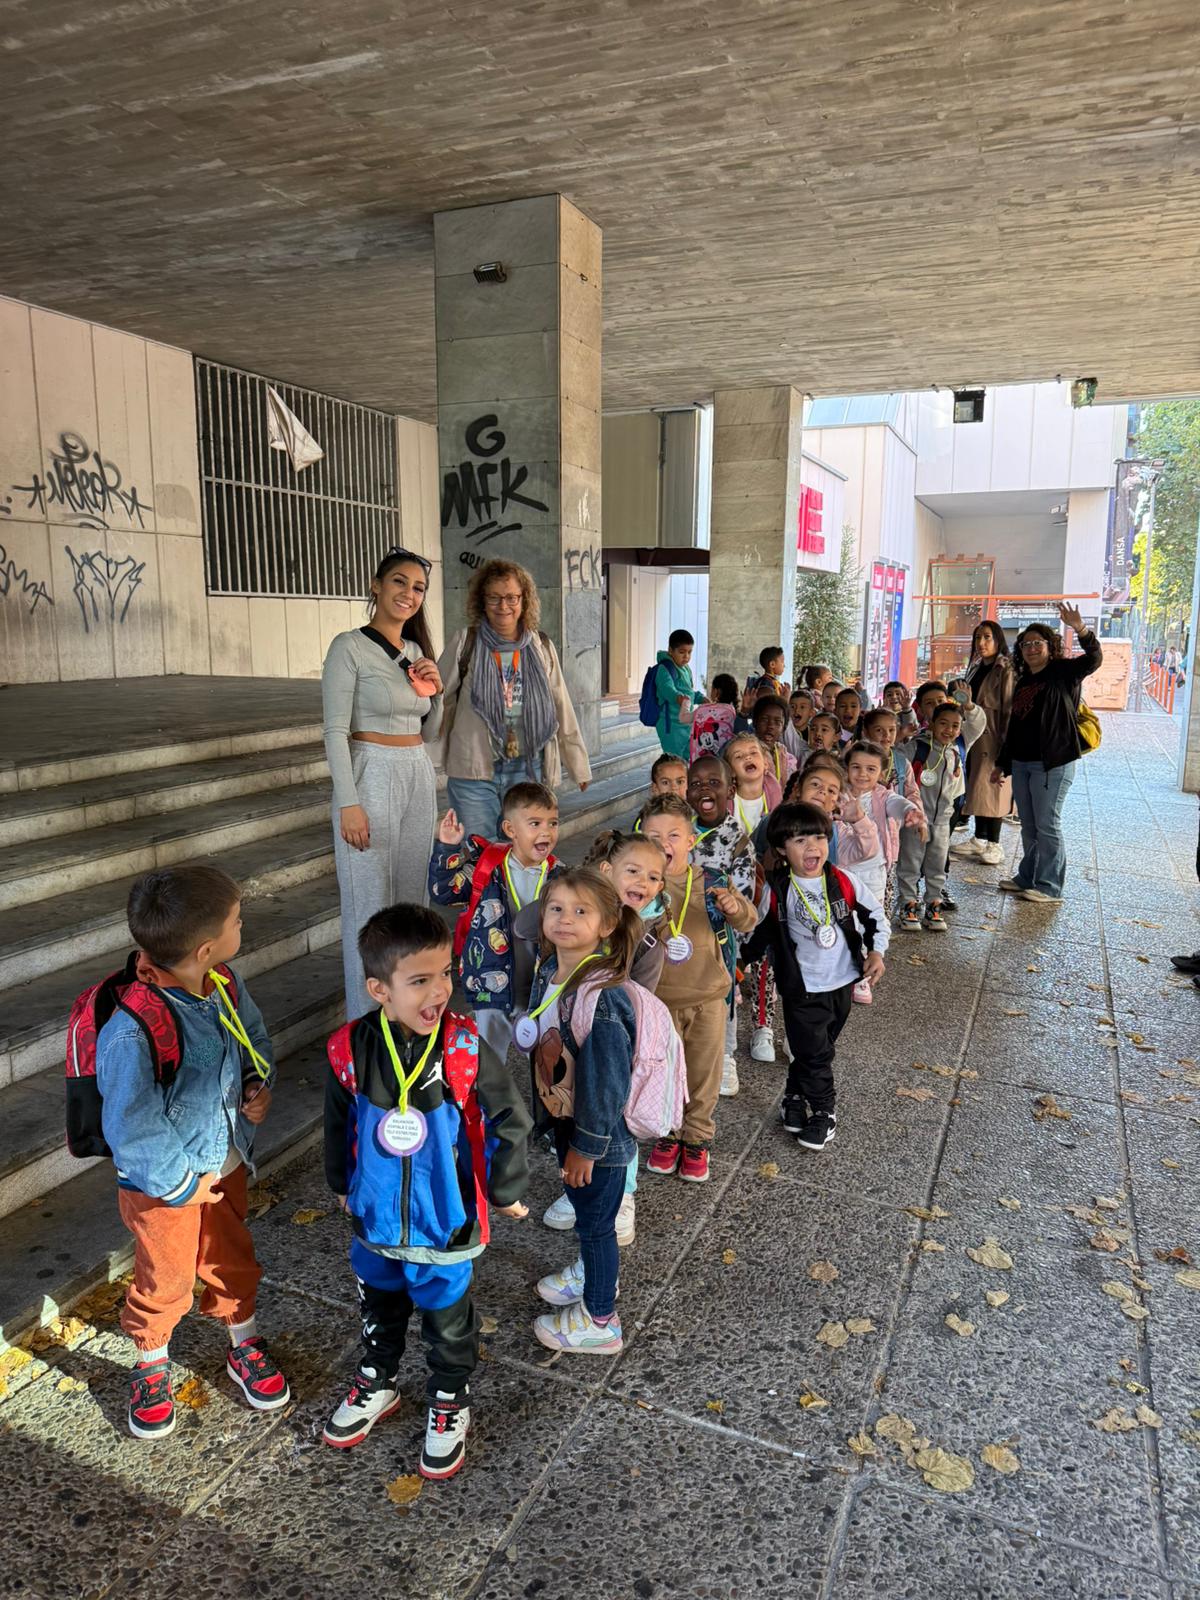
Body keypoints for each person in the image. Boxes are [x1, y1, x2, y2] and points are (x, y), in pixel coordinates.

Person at [322, 904, 530, 1477]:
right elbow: (337, 1123)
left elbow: (510, 1116)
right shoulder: (349, 1048)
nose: (440, 990)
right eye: (420, 980)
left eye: (446, 973)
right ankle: (379, 1378)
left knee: (447, 1317)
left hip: (446, 1219)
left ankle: (449, 1396)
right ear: (379, 990)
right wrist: (341, 1184)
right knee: (379, 1303)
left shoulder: (463, 1047)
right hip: (376, 1219)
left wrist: (505, 1187)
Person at [96, 865, 291, 1441]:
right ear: (206, 947)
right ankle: (151, 1361)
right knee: (165, 1274)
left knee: (231, 1257)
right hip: (163, 1187)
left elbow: (254, 1039)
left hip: (225, 1163)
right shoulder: (133, 1028)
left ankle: (242, 1341)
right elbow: (132, 1125)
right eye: (237, 920)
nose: (242, 925)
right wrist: (182, 1185)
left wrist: (257, 1082)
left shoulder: (223, 982)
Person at [527, 869, 645, 1354]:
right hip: (567, 1123)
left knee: (598, 1227)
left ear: (606, 925)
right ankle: (592, 1273)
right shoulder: (551, 971)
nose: (565, 919)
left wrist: (586, 1148)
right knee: (586, 1215)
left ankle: (600, 1318)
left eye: (581, 911)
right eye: (556, 908)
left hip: (598, 1137)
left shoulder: (602, 995)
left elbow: (607, 1083)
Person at [323, 547, 443, 1020]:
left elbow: (430, 733)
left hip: (416, 770)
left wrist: (438, 694)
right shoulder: (348, 647)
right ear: (376, 585)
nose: (409, 593)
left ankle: (408, 1018)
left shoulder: (415, 653)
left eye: (418, 588)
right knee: (368, 905)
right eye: (399, 581)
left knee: (412, 902)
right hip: (370, 769)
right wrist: (348, 803)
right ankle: (365, 1027)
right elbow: (334, 730)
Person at [534, 830, 671, 1245]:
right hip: (573, 1047)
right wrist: (571, 895)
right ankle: (580, 1185)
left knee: (613, 1119)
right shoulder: (583, 912)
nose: (641, 883)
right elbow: (529, 925)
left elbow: (638, 999)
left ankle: (622, 1195)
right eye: (632, 872)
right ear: (608, 871)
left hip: (612, 1041)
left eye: (652, 877)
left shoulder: (649, 935)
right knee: (576, 1110)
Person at [743, 802, 888, 1150]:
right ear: (781, 849)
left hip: (842, 983)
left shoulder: (843, 881)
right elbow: (760, 933)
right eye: (800, 840)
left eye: (820, 838)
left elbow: (875, 915)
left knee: (815, 1049)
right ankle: (824, 1112)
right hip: (802, 987)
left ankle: (793, 1097)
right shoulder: (779, 890)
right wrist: (738, 965)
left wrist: (877, 951)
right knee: (815, 1054)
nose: (813, 847)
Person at [639, 796, 757, 1183]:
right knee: (665, 1072)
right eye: (653, 836)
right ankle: (670, 1132)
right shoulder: (640, 885)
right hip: (658, 1000)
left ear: (691, 841)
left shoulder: (711, 881)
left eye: (673, 835)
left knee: (704, 1073)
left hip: (708, 996)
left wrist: (734, 908)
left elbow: (748, 920)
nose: (663, 843)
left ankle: (697, 1137)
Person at [435, 558, 590, 842]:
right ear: (482, 601)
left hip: (527, 768)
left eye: (511, 598)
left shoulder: (541, 646)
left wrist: (578, 764)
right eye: (493, 597)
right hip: (474, 769)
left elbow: (561, 706)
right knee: (480, 851)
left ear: (524, 600)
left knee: (523, 850)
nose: (503, 606)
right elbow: (440, 699)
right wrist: (429, 751)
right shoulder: (465, 642)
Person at [427, 783, 560, 1061]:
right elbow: (444, 891)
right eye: (535, 823)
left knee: (543, 1065)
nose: (546, 831)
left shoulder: (561, 877)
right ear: (510, 829)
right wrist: (447, 848)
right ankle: (487, 1092)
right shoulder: (486, 867)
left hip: (541, 990)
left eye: (553, 823)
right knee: (488, 1062)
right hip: (490, 988)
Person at [993, 603, 1102, 904]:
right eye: (1025, 644)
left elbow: (1094, 659)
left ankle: (1050, 886)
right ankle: (1027, 877)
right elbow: (1015, 726)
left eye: (1037, 643)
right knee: (1029, 825)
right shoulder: (1024, 680)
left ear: (1049, 646)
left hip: (1052, 762)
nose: (1031, 649)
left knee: (1047, 824)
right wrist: (1002, 763)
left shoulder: (1063, 673)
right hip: (1022, 762)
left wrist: (1080, 629)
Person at [843, 740, 925, 997]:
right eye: (856, 767)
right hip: (843, 867)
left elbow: (898, 803)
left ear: (882, 772)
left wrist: (912, 811)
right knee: (844, 918)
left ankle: (863, 974)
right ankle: (841, 965)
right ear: (846, 768)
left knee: (868, 918)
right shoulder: (840, 794)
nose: (862, 774)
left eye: (871, 769)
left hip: (873, 871)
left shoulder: (883, 795)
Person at [897, 700, 983, 930]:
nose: (949, 730)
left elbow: (956, 787)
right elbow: (894, 759)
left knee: (937, 866)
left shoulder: (955, 752)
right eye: (943, 723)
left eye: (955, 726)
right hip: (916, 820)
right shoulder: (918, 747)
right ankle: (907, 905)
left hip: (942, 822)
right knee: (910, 863)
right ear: (932, 723)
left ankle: (933, 905)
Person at [723, 732, 783, 1064]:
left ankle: (763, 1026)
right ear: (729, 770)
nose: (748, 757)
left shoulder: (776, 799)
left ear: (765, 762)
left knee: (765, 960)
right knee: (731, 956)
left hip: (767, 893)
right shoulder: (724, 802)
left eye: (753, 752)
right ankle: (725, 1040)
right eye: (738, 755)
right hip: (732, 896)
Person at [951, 621, 1015, 867]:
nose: (981, 643)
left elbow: (1008, 708)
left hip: (994, 736)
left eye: (987, 637)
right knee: (977, 785)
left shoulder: (1005, 669)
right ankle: (979, 838)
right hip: (974, 734)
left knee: (994, 787)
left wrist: (1005, 743)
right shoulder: (977, 667)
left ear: (998, 639)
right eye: (978, 637)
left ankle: (995, 844)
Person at [652, 628, 705, 760]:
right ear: (671, 651)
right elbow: (667, 689)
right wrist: (678, 697)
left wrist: (700, 698)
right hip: (671, 725)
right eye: (682, 652)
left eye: (689, 652)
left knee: (689, 757)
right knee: (673, 759)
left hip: (686, 723)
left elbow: (688, 691)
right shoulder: (664, 669)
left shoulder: (686, 669)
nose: (686, 656)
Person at [690, 673, 740, 761]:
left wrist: (685, 702)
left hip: (700, 761)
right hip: (723, 761)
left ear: (717, 692)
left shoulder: (702, 709)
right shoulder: (732, 711)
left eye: (712, 689)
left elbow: (683, 718)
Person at [751, 695, 797, 788]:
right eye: (764, 719)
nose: (770, 726)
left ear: (783, 728)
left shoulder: (788, 760)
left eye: (777, 722)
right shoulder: (744, 753)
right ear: (755, 722)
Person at [784, 689, 816, 763]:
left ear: (812, 713)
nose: (797, 710)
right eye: (792, 707)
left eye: (802, 707)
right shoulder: (783, 731)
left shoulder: (814, 733)